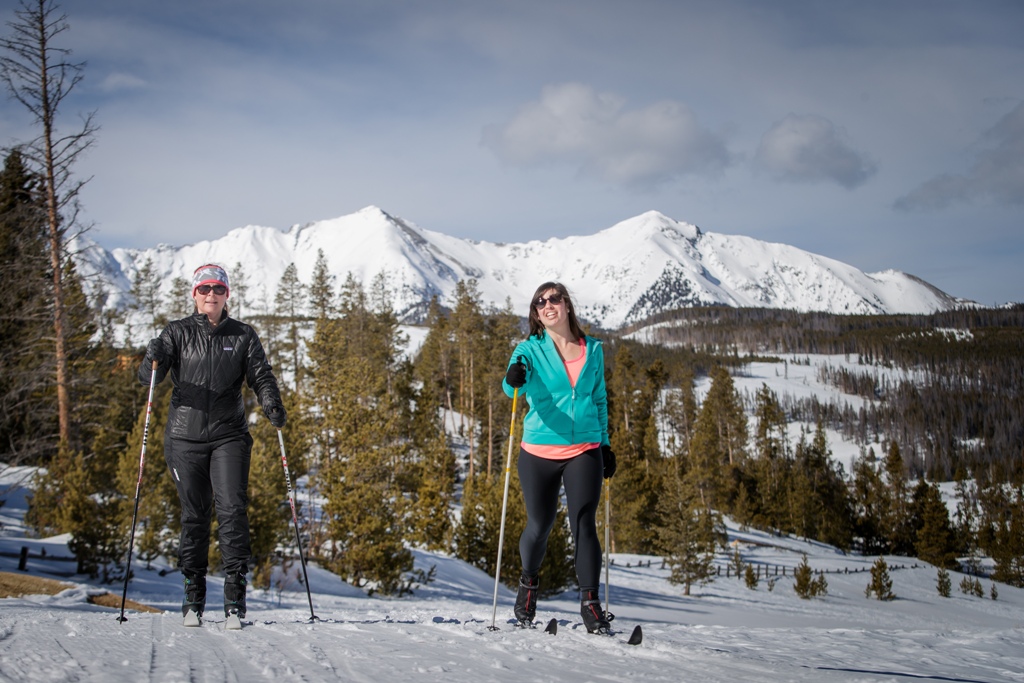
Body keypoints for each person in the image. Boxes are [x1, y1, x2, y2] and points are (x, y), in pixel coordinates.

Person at [139, 263, 286, 626]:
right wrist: (152, 354)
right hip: (183, 438)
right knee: (195, 515)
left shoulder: (243, 335)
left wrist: (271, 402)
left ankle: (235, 596)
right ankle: (193, 596)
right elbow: (148, 378)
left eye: (218, 289)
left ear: (227, 295)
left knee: (232, 509)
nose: (211, 294)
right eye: (204, 288)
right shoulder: (176, 332)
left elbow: (261, 375)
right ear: (194, 294)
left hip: (228, 435)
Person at [501, 281, 617, 633]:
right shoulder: (529, 349)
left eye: (554, 298)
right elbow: (511, 387)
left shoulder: (592, 349)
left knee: (583, 523)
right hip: (538, 450)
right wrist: (513, 376)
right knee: (540, 525)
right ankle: (528, 584)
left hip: (585, 448)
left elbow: (599, 400)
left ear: (567, 305)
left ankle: (591, 605)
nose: (547, 304)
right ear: (536, 314)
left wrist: (606, 443)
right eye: (540, 302)